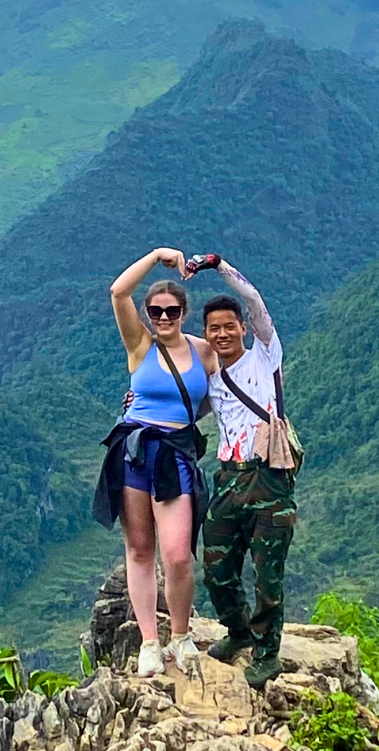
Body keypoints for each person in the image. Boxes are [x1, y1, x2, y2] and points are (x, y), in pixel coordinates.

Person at [93, 247, 216, 677]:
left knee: (178, 554)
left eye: (172, 311)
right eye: (156, 311)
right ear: (147, 313)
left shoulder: (203, 352)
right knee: (140, 549)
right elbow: (117, 291)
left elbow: (222, 394)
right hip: (135, 452)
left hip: (176, 453)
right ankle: (150, 641)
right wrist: (158, 256)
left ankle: (180, 634)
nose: (164, 318)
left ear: (184, 312)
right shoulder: (139, 345)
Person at [193, 255, 296, 688]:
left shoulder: (264, 357)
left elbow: (254, 301)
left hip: (268, 477)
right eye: (213, 328)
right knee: (216, 566)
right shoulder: (212, 377)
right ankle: (237, 632)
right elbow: (184, 411)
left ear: (242, 327)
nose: (221, 333)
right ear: (206, 334)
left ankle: (268, 653)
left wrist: (219, 266)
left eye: (228, 325)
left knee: (267, 571)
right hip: (228, 477)